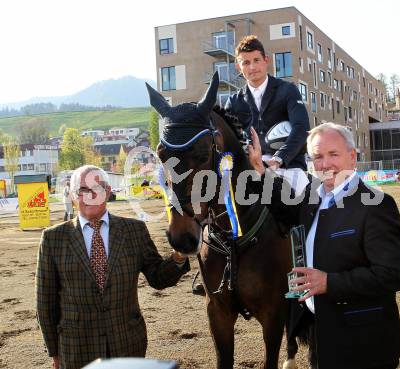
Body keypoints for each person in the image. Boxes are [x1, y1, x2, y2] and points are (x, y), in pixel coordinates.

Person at [248, 123, 400, 369]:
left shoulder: (377, 204)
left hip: (363, 346)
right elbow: (285, 208)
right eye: (318, 157)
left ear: (352, 157)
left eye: (333, 154)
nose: (325, 165)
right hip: (321, 337)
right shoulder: (313, 196)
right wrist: (260, 169)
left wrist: (328, 282)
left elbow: (393, 275)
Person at [36, 165, 189, 369]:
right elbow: (45, 302)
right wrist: (54, 351)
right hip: (76, 349)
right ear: (73, 196)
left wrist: (179, 255)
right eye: (82, 190)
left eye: (96, 189)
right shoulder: (53, 238)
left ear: (108, 192)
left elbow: (158, 277)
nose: (90, 196)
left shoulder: (134, 230)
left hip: (127, 344)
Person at [225, 35, 310, 171]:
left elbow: (301, 127)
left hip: (290, 166)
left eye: (256, 60)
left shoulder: (288, 90)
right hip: (251, 168)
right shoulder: (233, 102)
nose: (252, 67)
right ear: (238, 68)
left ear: (266, 61)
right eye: (246, 63)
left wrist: (278, 159)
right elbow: (229, 139)